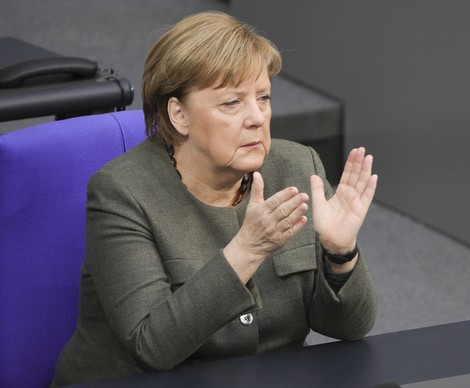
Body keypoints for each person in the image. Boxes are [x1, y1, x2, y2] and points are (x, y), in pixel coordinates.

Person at [51, 11, 378, 386]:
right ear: (179, 116)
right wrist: (247, 250)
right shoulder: (120, 193)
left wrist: (341, 254)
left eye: (263, 98)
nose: (257, 118)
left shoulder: (296, 166)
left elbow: (349, 328)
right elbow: (152, 346)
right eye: (231, 103)